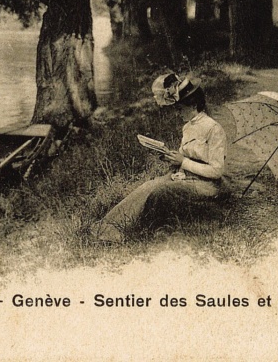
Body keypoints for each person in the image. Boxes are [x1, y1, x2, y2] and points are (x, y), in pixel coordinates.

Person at [93, 73, 226, 243]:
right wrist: (169, 157)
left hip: (207, 184)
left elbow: (217, 170)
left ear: (193, 104)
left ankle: (135, 232)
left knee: (160, 192)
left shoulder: (214, 129)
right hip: (187, 176)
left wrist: (183, 162)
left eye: (180, 109)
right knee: (148, 185)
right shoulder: (188, 127)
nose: (177, 113)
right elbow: (183, 156)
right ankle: (108, 228)